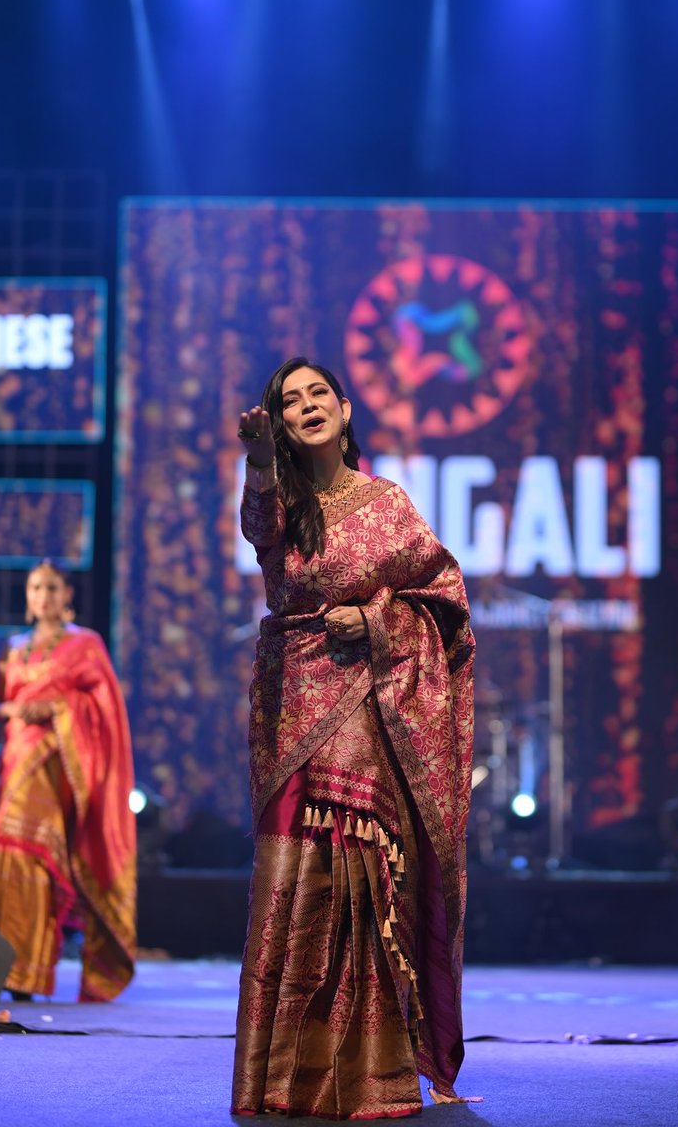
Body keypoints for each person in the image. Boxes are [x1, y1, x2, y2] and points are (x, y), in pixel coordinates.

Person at [231, 358, 477, 1119]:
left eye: (317, 395)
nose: (306, 406)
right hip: (291, 712)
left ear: (343, 406)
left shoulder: (389, 505)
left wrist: (373, 622)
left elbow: (446, 600)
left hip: (370, 707)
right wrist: (259, 462)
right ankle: (283, 1076)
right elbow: (260, 533)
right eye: (289, 400)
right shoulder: (281, 501)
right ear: (278, 421)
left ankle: (375, 1073)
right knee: (295, 884)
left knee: (363, 877)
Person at [0, 560, 137, 1001]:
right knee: (9, 853)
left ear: (67, 594)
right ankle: (7, 974)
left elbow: (103, 706)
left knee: (32, 853)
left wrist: (57, 708)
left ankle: (24, 973)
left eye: (51, 587)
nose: (42, 596)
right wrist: (13, 710)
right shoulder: (14, 648)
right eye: (34, 588)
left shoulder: (85, 644)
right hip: (17, 762)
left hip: (57, 765)